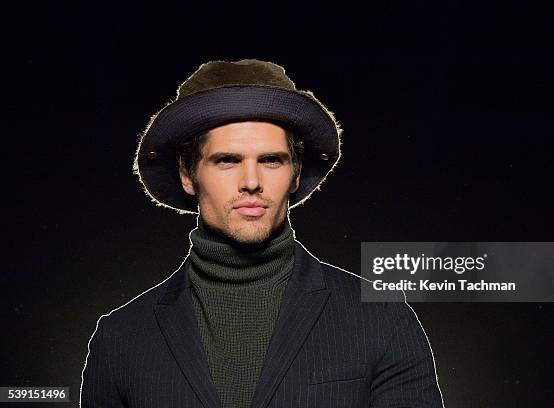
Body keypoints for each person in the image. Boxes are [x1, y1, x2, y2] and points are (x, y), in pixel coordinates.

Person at [80, 59, 445, 408]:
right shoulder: (120, 340)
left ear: (296, 174)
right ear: (188, 175)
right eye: (227, 160)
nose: (251, 182)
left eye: (271, 160)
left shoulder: (382, 318)